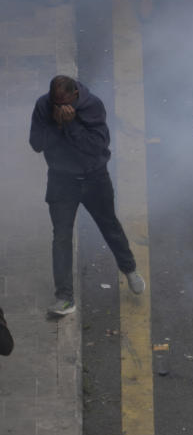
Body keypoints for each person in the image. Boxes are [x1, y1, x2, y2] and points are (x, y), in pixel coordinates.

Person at [29, 76, 145, 317]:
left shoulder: (92, 106)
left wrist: (71, 126)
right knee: (61, 238)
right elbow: (36, 144)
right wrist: (57, 125)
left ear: (75, 95)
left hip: (94, 178)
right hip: (61, 181)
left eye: (63, 102)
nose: (59, 107)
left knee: (109, 225)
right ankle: (64, 297)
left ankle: (130, 269)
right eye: (55, 102)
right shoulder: (43, 106)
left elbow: (97, 146)